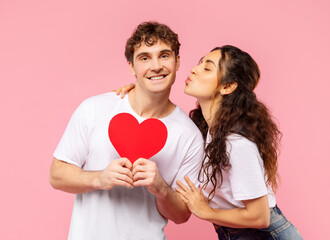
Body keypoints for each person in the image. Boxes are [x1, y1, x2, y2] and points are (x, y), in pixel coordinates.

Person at [116, 45, 302, 239]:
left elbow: (260, 217)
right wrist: (137, 94)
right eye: (200, 63)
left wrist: (205, 212)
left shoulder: (236, 143)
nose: (194, 69)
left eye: (207, 68)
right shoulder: (207, 131)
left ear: (227, 87)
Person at [50, 22, 204, 240]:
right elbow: (56, 175)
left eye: (164, 55)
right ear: (132, 66)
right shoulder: (94, 108)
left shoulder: (190, 136)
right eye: (144, 58)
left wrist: (160, 187)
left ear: (177, 61)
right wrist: (100, 178)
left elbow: (182, 215)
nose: (156, 66)